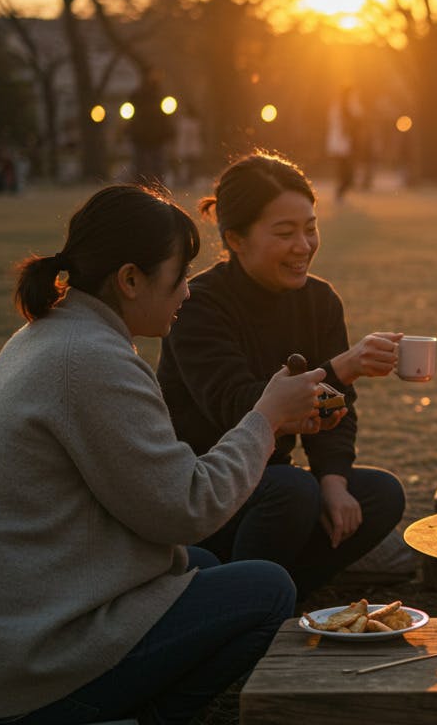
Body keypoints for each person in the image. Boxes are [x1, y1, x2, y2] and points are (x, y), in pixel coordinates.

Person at [0, 185, 324, 724]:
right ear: (131, 278)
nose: (188, 292)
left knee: (201, 567)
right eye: (180, 275)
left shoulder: (48, 333)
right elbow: (187, 508)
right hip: (21, 671)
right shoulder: (91, 360)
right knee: (267, 589)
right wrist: (267, 417)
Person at [157, 152, 406, 601]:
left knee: (380, 494)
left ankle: (282, 596)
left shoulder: (320, 302)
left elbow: (335, 409)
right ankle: (233, 603)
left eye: (310, 228)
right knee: (290, 490)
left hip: (272, 488)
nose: (304, 246)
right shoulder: (198, 305)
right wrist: (344, 367)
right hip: (203, 487)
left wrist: (333, 480)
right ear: (236, 239)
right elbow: (237, 406)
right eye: (285, 233)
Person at [129, 67, 174, 184]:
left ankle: (152, 187)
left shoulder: (158, 95)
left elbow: (165, 116)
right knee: (146, 165)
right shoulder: (147, 95)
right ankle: (147, 187)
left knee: (152, 165)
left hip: (152, 135)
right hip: (146, 134)